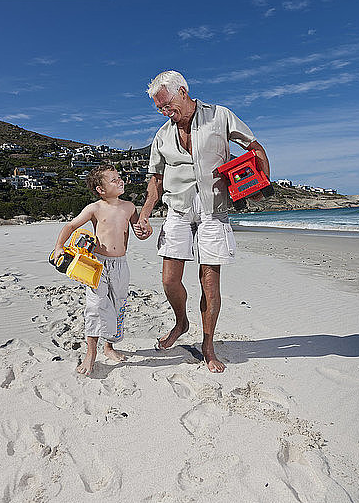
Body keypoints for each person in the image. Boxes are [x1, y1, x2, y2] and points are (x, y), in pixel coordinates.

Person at [134, 70, 270, 373]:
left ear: (183, 91)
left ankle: (208, 346)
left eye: (168, 105)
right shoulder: (162, 135)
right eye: (160, 109)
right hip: (178, 209)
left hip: (213, 207)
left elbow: (254, 147)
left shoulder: (220, 116)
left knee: (209, 283)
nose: (166, 112)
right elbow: (155, 180)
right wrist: (144, 214)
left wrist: (262, 183)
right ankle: (181, 322)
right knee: (169, 279)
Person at [53, 163, 151, 375]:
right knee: (96, 306)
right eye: (114, 180)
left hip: (120, 264)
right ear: (101, 190)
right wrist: (59, 247)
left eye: (119, 177)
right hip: (97, 264)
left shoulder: (129, 207)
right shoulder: (94, 208)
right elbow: (71, 226)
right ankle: (91, 353)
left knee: (118, 305)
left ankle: (109, 347)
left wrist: (146, 231)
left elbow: (139, 230)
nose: (120, 181)